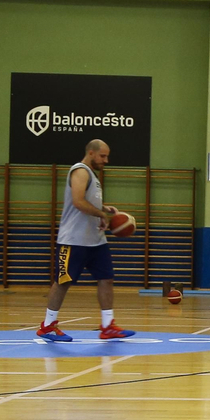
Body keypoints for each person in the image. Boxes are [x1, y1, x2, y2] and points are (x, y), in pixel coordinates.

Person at [36, 140, 133, 342]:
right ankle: (47, 326)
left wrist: (103, 208)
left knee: (106, 279)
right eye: (103, 156)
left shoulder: (92, 175)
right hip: (73, 240)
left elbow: (88, 201)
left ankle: (108, 326)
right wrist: (101, 215)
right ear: (91, 153)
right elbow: (78, 201)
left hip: (95, 241)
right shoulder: (80, 171)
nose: (106, 160)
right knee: (63, 282)